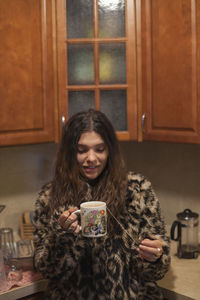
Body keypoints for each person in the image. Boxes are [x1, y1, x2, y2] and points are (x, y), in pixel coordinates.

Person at [33, 109, 170, 300]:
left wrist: (155, 256)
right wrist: (62, 235)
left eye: (99, 149)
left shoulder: (138, 190)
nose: (91, 158)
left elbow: (157, 271)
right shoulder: (49, 197)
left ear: (110, 151)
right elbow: (46, 270)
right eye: (82, 150)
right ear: (70, 152)